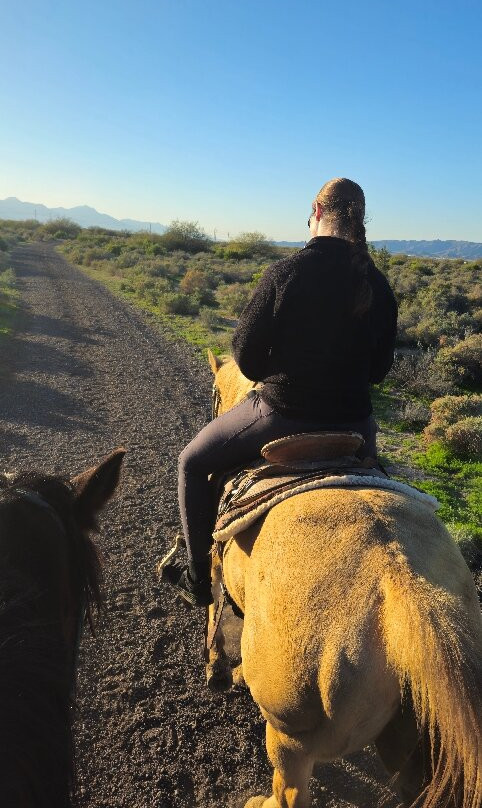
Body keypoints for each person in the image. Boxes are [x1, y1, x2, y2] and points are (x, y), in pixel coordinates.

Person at [162, 178, 398, 607]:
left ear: (317, 212)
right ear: (359, 220)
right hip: (356, 426)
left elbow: (247, 362)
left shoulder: (286, 272)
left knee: (192, 463)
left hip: (282, 414)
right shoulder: (379, 286)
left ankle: (198, 579)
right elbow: (379, 372)